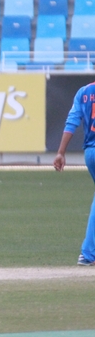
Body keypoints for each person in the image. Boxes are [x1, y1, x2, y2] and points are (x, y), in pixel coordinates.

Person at [54, 82, 95, 266]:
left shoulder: (84, 92)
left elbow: (72, 122)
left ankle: (88, 253)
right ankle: (88, 253)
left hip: (90, 153)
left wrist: (61, 152)